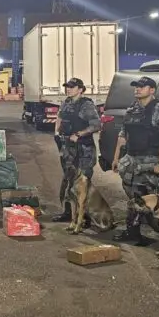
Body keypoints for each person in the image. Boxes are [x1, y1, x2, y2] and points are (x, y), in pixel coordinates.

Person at [111, 76, 159, 245]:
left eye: (142, 86)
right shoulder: (132, 110)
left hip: (151, 163)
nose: (137, 89)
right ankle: (132, 232)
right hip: (131, 162)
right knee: (134, 199)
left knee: (158, 202)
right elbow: (122, 135)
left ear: (152, 90)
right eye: (136, 86)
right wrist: (116, 158)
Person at [51, 78, 102, 223]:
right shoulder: (66, 102)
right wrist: (57, 133)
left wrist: (79, 134)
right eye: (67, 87)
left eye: (72, 87)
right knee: (68, 179)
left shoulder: (86, 105)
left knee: (83, 183)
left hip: (84, 149)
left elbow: (96, 125)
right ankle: (69, 213)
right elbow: (59, 117)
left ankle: (84, 216)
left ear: (80, 89)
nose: (68, 89)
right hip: (68, 148)